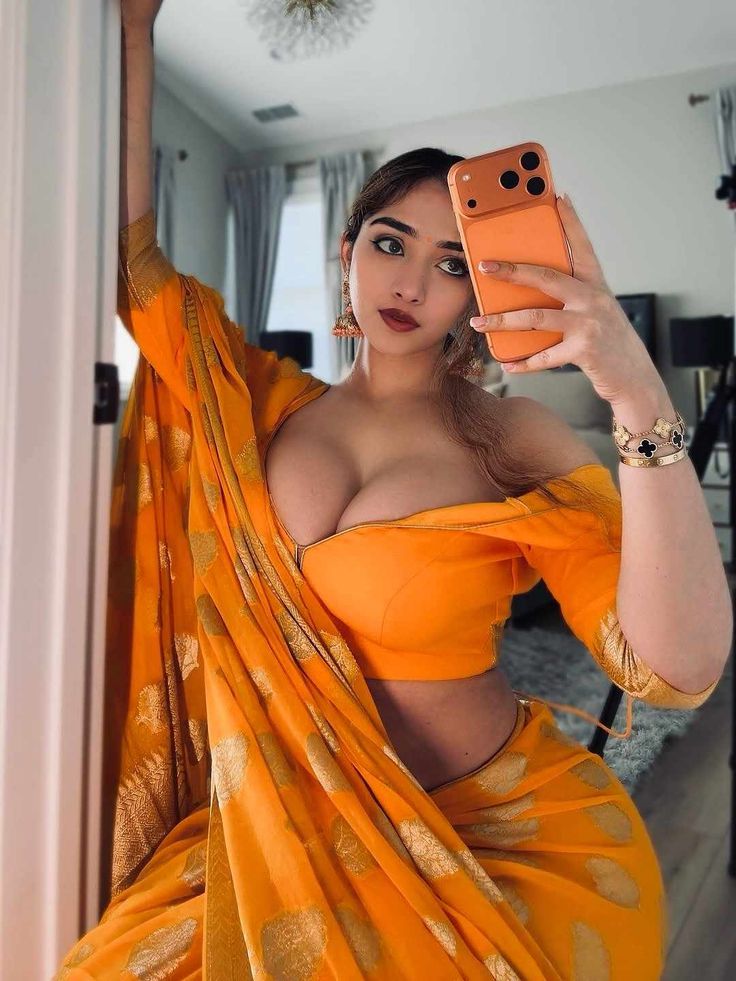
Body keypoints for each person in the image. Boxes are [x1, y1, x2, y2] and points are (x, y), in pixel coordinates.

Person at [56, 2, 725, 977]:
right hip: (287, 829)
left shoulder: (511, 438)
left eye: (451, 262)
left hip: (492, 839)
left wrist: (633, 390)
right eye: (389, 242)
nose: (411, 281)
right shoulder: (255, 403)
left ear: (476, 293)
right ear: (347, 252)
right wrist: (131, 36)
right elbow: (137, 266)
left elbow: (671, 670)